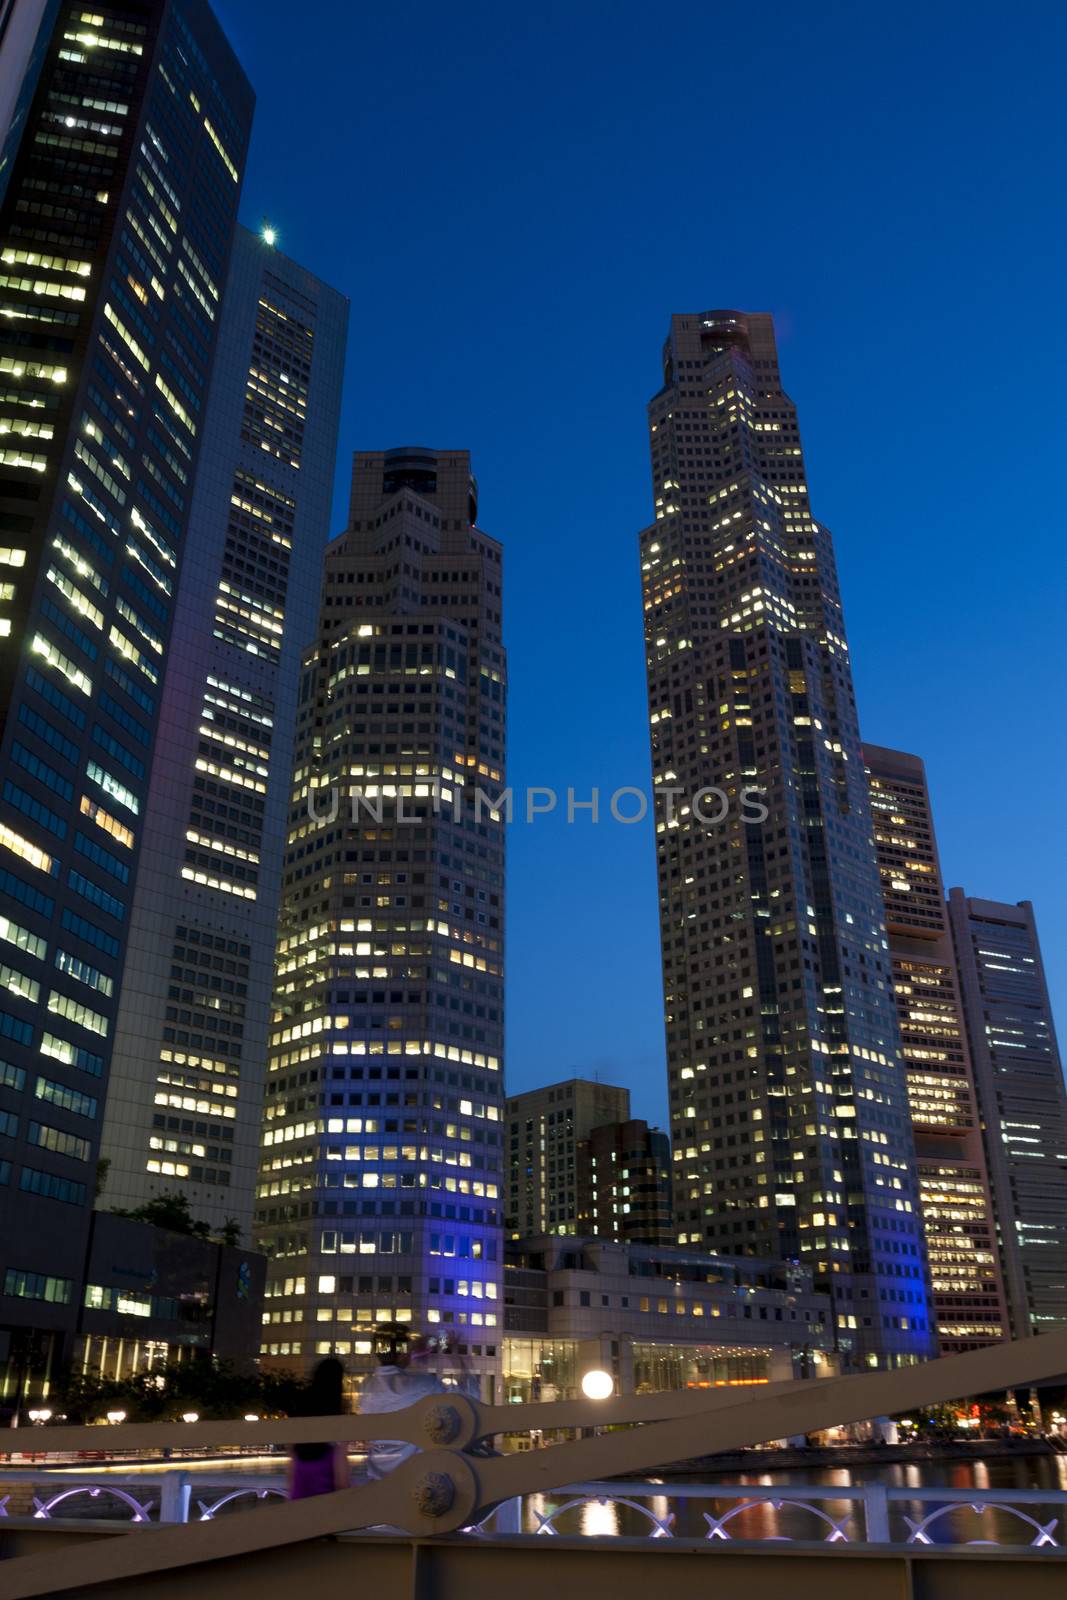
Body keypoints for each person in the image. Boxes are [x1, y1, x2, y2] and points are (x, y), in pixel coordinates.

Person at [358, 1326, 453, 1478]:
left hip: (376, 1474)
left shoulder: (366, 1386)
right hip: (414, 1476)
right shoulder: (422, 1384)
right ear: (403, 1354)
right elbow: (464, 1396)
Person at [288, 1356, 349, 1500]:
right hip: (326, 1498)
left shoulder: (300, 1410)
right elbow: (341, 1480)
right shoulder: (337, 1418)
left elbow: (290, 1455)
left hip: (299, 1492)